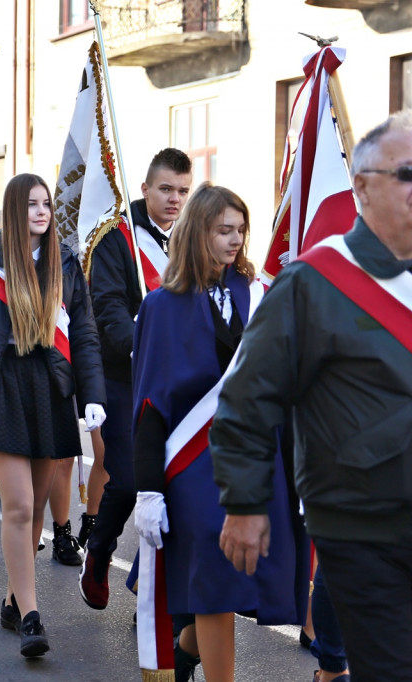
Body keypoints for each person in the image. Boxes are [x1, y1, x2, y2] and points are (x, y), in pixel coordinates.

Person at [211, 111, 412, 682]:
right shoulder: (315, 281)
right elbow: (247, 400)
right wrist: (246, 504)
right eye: (408, 173)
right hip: (362, 526)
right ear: (363, 187)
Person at [132, 183, 307, 682]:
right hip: (192, 465)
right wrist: (148, 488)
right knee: (213, 579)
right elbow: (149, 403)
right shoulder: (163, 305)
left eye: (240, 230)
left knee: (243, 579)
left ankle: (188, 645)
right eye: (223, 230)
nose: (235, 240)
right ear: (197, 232)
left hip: (255, 458)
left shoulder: (257, 295)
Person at [0, 174, 105, 657]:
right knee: (17, 505)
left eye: (46, 204)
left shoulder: (65, 265)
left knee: (37, 505)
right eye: (32, 204)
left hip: (51, 387)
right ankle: (32, 618)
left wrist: (92, 393)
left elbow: (84, 333)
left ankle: (14, 600)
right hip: (2, 390)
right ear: (15, 210)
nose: (41, 211)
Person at [79, 148, 193, 608]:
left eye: (183, 191)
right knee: (128, 479)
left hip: (181, 378)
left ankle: (150, 585)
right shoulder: (116, 238)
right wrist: (148, 350)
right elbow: (108, 308)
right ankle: (100, 552)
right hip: (123, 374)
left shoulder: (192, 237)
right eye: (166, 189)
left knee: (178, 483)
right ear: (144, 188)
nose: (174, 199)